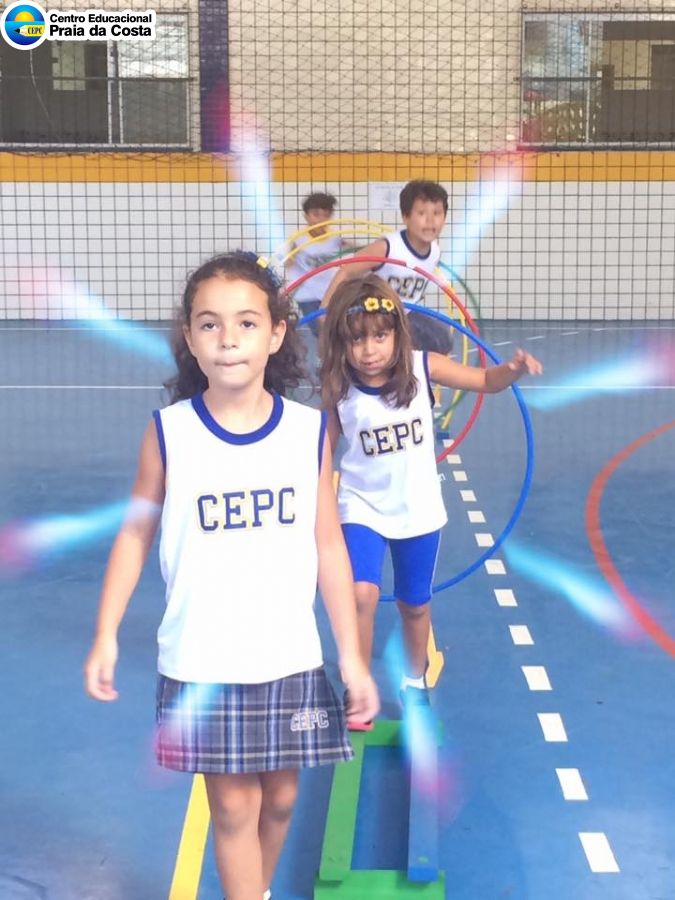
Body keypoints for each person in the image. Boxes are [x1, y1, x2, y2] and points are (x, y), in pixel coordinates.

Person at [83, 251, 379, 900]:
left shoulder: (306, 433)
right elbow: (134, 533)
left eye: (246, 323)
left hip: (287, 653)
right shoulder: (169, 434)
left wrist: (352, 658)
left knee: (281, 798)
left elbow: (328, 544)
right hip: (203, 659)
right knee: (235, 807)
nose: (227, 339)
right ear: (190, 339)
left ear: (275, 334)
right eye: (209, 324)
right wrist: (106, 632)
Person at [320, 273, 542, 727]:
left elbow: (486, 379)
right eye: (357, 339)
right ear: (342, 343)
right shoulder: (339, 387)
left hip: (417, 507)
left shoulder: (423, 367)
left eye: (379, 336)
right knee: (360, 594)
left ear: (397, 333)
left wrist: (513, 369)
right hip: (361, 506)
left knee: (415, 604)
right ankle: (358, 688)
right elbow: (322, 449)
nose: (369, 350)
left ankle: (414, 681)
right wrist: (317, 494)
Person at [320, 180, 454, 354]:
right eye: (421, 213)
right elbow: (346, 271)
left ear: (444, 218)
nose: (430, 221)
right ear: (406, 217)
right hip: (373, 313)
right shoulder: (387, 247)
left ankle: (415, 367)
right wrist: (325, 309)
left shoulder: (434, 252)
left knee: (442, 339)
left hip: (404, 313)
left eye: (437, 213)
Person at [285, 192, 351, 337]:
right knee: (320, 330)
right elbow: (288, 262)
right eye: (316, 214)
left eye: (325, 215)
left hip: (328, 292)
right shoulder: (299, 239)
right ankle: (327, 351)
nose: (321, 220)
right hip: (306, 294)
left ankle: (330, 350)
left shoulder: (334, 237)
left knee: (334, 329)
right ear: (306, 216)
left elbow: (351, 248)